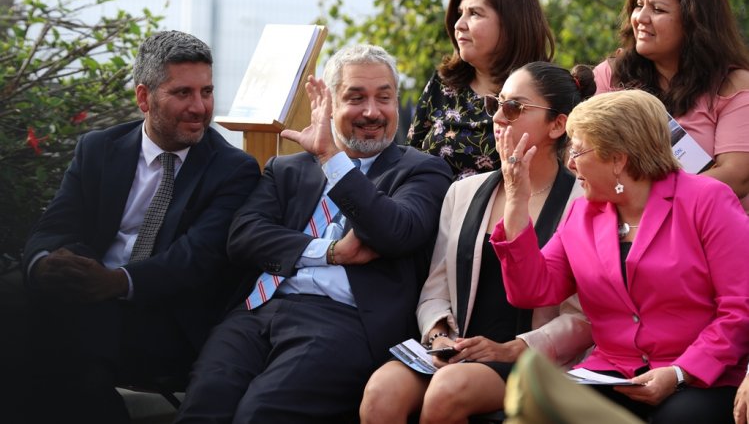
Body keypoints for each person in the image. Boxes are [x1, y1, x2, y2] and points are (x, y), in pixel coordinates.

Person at [175, 44, 453, 423]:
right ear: (329, 104)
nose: (372, 112)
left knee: (261, 414)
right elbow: (244, 236)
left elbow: (394, 232)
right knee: (204, 406)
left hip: (344, 321)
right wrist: (330, 252)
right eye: (356, 98)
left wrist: (333, 161)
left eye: (384, 98)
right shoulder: (287, 169)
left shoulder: (423, 171)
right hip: (259, 311)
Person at [23, 30, 261, 423]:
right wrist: (45, 264)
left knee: (66, 339)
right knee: (22, 297)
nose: (200, 107)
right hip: (91, 300)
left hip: (168, 314)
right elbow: (53, 226)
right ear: (143, 98)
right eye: (183, 93)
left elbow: (197, 258)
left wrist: (115, 282)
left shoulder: (232, 169)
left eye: (207, 91)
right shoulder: (98, 149)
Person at [492, 89, 749, 424]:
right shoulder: (580, 214)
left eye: (579, 149)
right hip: (610, 374)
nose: (569, 162)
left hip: (700, 377)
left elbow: (739, 307)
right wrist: (516, 200)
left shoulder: (708, 200)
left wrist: (679, 372)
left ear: (618, 158)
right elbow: (531, 290)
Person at [360, 62, 595, 423]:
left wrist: (509, 349)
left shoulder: (584, 201)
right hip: (458, 350)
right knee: (381, 393)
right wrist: (440, 335)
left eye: (514, 107)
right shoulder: (464, 191)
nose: (498, 117)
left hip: (529, 358)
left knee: (449, 390)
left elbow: (582, 318)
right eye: (495, 104)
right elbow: (435, 286)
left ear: (557, 124)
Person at [594, 0, 749, 212]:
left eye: (658, 10)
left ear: (694, 20)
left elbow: (736, 177)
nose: (640, 18)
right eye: (639, 5)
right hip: (625, 235)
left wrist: (651, 199)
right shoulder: (612, 76)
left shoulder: (733, 84)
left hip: (706, 234)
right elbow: (588, 158)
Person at [407, 0, 554, 180]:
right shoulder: (443, 83)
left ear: (511, 24)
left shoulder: (545, 92)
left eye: (474, 13)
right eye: (460, 13)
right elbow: (408, 158)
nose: (459, 24)